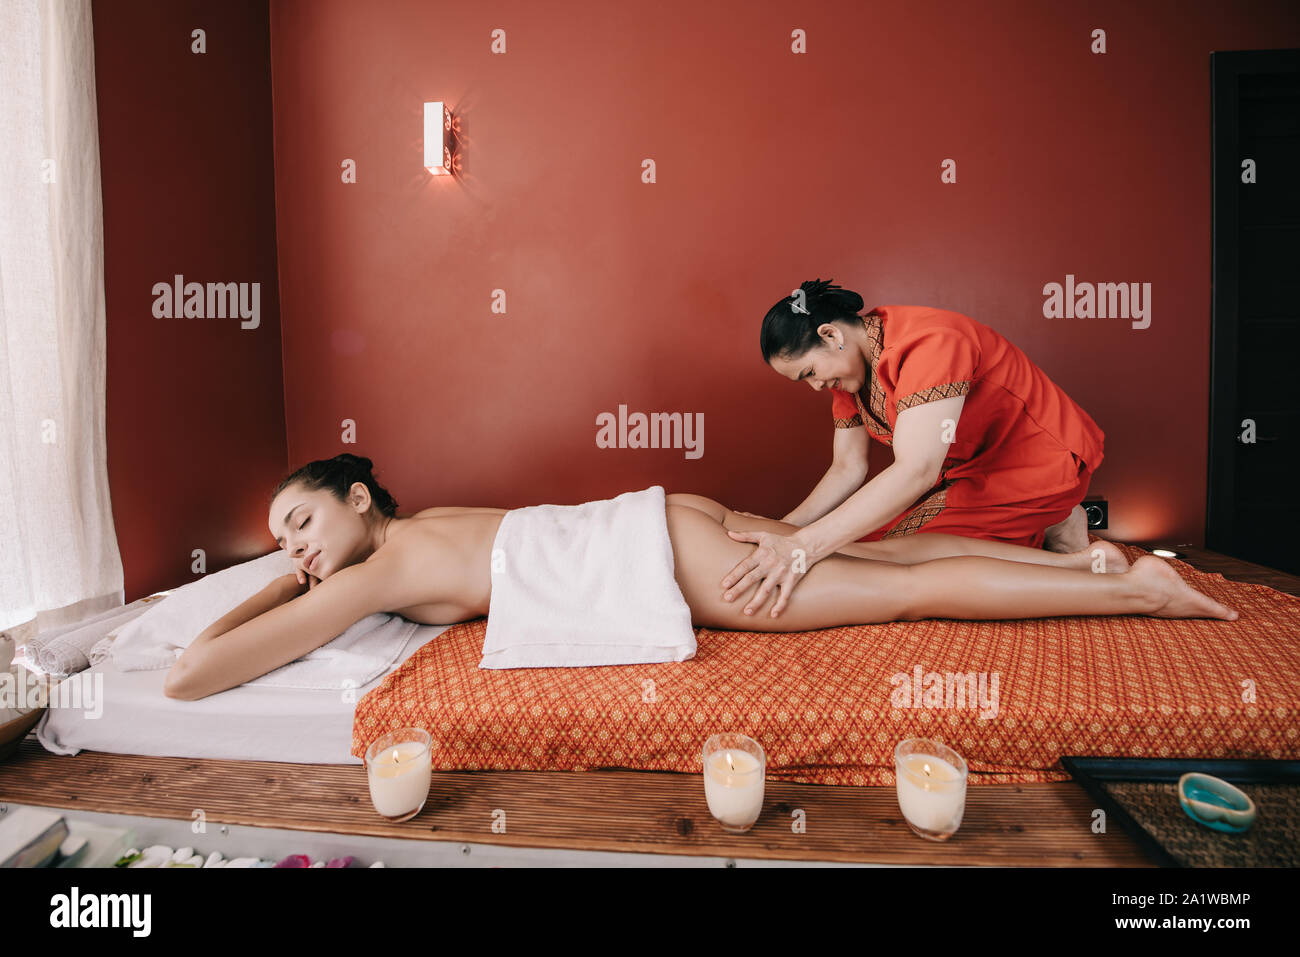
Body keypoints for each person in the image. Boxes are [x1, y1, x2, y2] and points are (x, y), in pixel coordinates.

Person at [162, 455, 1237, 702]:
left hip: (667, 557)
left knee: (905, 588)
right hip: (670, 515)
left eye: (299, 522)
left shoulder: (370, 570)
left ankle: (1135, 590)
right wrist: (296, 567)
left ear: (358, 498)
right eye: (280, 539)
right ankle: (1096, 561)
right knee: (890, 554)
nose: (294, 546)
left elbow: (191, 679)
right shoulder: (416, 529)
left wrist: (279, 586)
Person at [722, 279, 1106, 618]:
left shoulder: (931, 341)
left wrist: (803, 546)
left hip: (1038, 464)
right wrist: (785, 531)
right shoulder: (848, 375)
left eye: (809, 373)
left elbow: (916, 470)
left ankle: (1080, 558)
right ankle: (1053, 523)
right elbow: (847, 468)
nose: (815, 387)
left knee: (904, 555)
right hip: (966, 472)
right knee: (866, 546)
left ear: (831, 335)